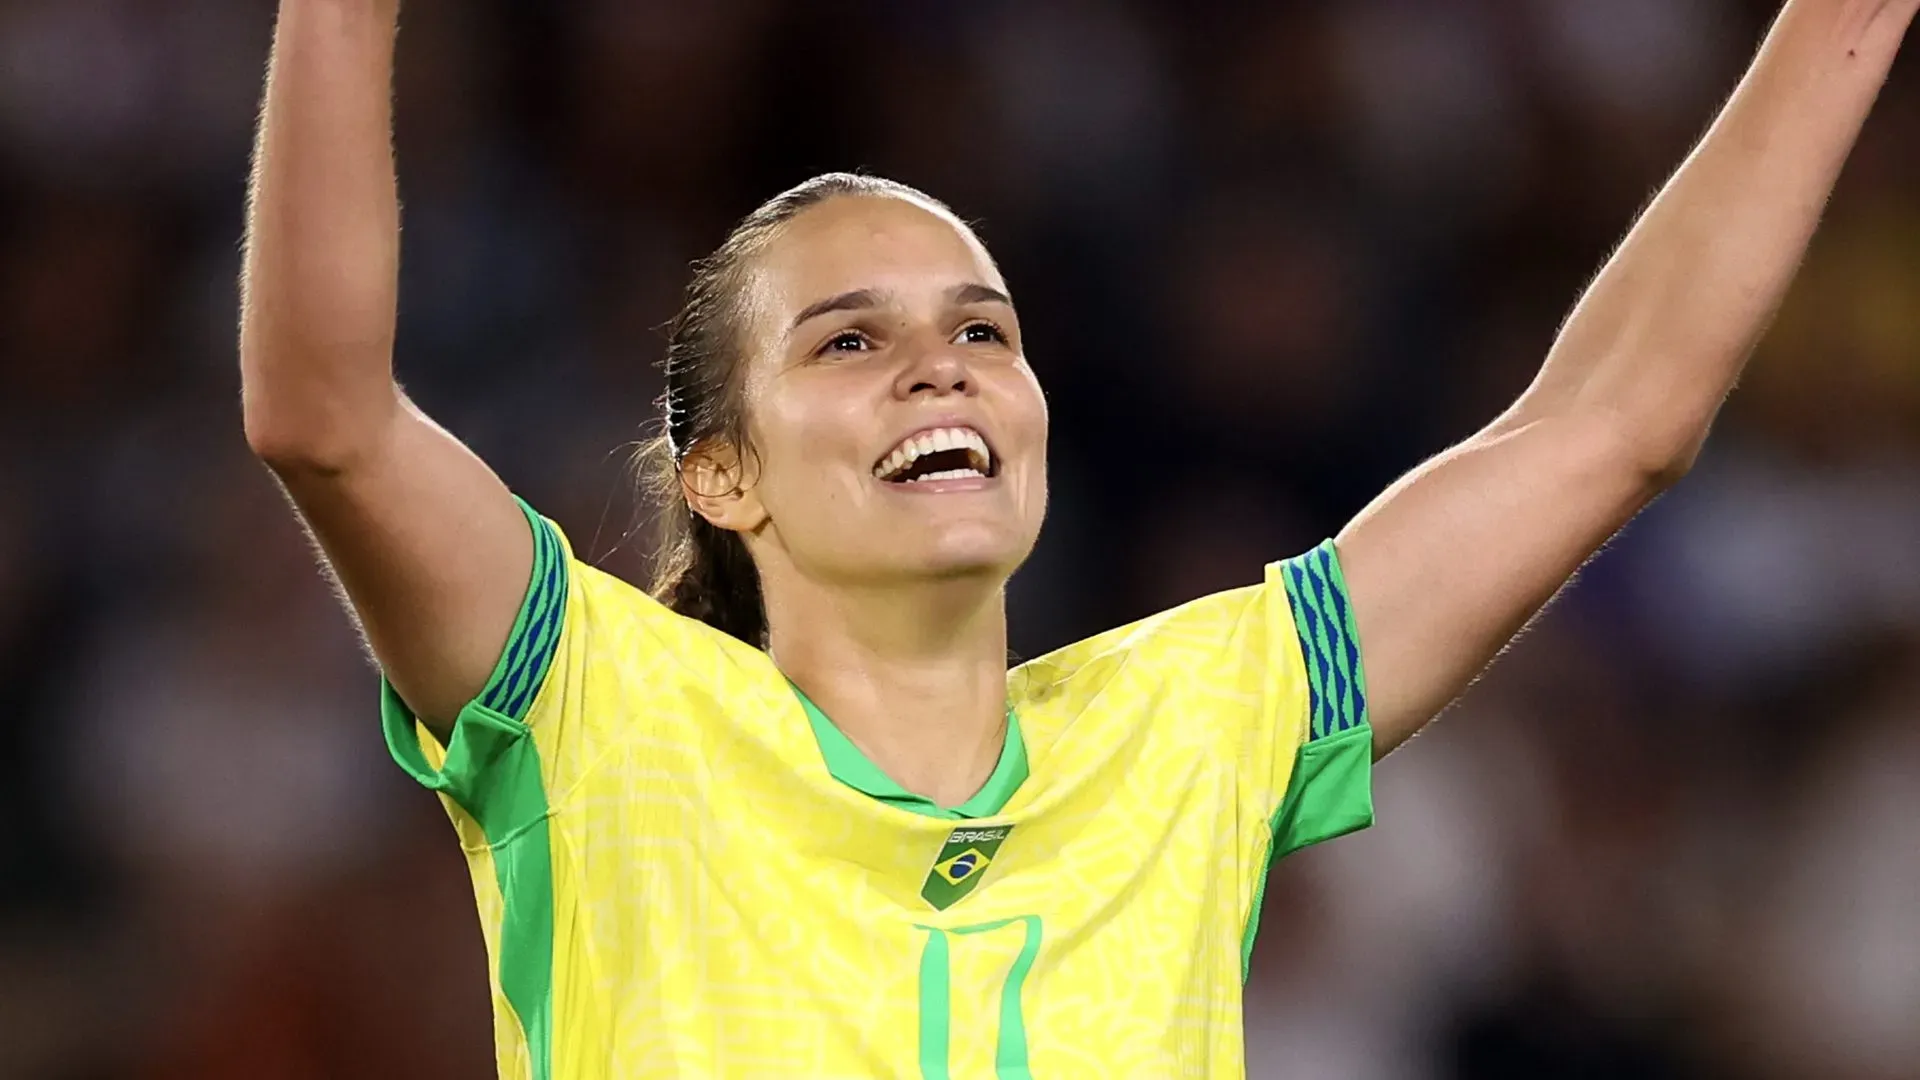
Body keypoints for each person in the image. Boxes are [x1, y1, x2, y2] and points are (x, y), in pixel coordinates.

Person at [238, 1, 1915, 1076]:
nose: (941, 366)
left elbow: (1614, 424)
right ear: (722, 476)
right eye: (847, 339)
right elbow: (326, 413)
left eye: (984, 331)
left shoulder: (1194, 725)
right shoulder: (601, 715)